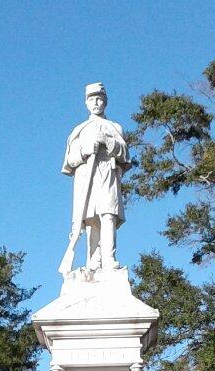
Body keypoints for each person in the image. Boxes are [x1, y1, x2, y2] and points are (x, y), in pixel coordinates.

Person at [62, 82, 131, 273]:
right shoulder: (80, 130)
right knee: (91, 219)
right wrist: (84, 150)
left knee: (108, 214)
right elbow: (70, 160)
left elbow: (125, 154)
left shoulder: (114, 127)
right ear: (86, 103)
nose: (96, 103)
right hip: (86, 177)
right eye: (91, 99)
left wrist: (107, 141)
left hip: (107, 173)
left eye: (99, 99)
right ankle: (94, 261)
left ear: (105, 102)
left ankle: (109, 258)